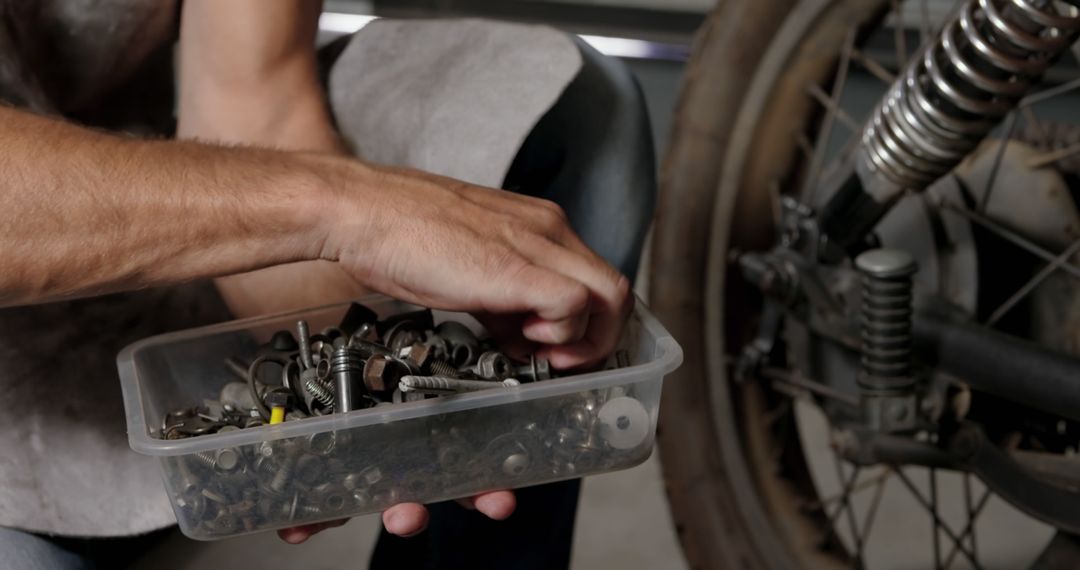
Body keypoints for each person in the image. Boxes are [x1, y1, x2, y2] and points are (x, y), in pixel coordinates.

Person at [0, 1, 652, 568]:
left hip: (161, 227)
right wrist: (344, 208)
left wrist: (362, 403)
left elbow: (255, 97)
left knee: (584, 106)